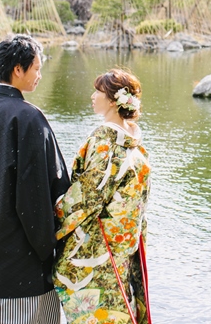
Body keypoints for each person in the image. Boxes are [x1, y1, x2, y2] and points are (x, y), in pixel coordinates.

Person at [0, 35, 71, 324]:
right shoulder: (29, 118)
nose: (39, 75)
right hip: (25, 259)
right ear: (18, 70)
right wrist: (48, 247)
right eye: (36, 68)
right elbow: (41, 194)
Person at [54, 68, 151, 324]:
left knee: (100, 309)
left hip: (101, 244)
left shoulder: (104, 140)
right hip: (125, 242)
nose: (92, 96)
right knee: (120, 302)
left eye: (97, 91)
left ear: (112, 100)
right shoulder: (135, 143)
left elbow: (88, 196)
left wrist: (55, 214)